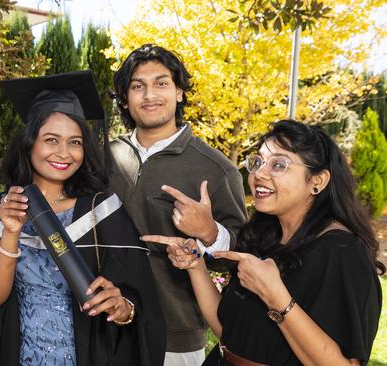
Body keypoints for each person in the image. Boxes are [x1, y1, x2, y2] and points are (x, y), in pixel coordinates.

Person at [0, 71, 165, 366]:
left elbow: (139, 302)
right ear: (29, 143)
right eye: (51, 139)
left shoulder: (103, 211)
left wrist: (123, 307)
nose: (65, 153)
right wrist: (11, 231)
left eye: (75, 142)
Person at [146, 120, 383, 365]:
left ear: (317, 181)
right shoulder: (263, 237)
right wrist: (195, 266)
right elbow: (229, 333)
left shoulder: (341, 252)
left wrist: (275, 296)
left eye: (278, 165)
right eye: (258, 162)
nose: (258, 174)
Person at [108, 44, 247, 365]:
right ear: (126, 99)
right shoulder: (104, 158)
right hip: (101, 322)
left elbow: (244, 256)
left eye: (161, 83)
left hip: (175, 337)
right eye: (137, 86)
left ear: (180, 92)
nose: (149, 95)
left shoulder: (216, 169)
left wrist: (211, 233)